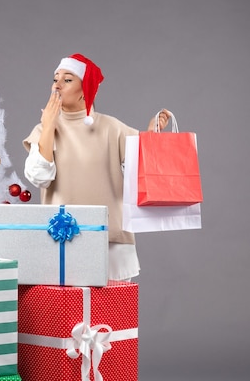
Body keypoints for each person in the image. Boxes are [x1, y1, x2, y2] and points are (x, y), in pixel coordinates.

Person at [23, 53, 170, 283]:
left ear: (86, 90)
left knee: (109, 316)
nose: (57, 85)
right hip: (62, 239)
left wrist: (152, 135)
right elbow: (39, 176)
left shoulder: (111, 127)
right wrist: (49, 125)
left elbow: (145, 166)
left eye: (68, 79)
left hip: (110, 242)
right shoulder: (44, 129)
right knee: (67, 316)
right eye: (55, 79)